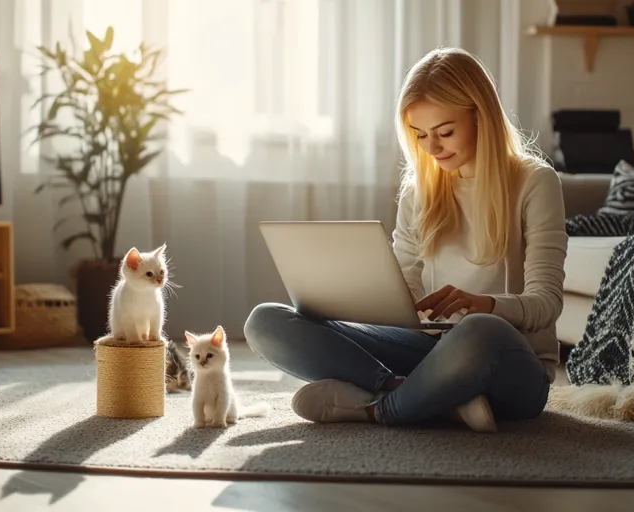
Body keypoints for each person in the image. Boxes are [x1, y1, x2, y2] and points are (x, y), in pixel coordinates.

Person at [242, 47, 567, 432]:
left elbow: (547, 303)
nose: (431, 148)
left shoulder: (535, 183)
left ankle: (379, 409)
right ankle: (416, 394)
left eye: (445, 132)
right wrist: (374, 299)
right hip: (428, 351)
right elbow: (406, 285)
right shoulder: (420, 191)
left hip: (508, 363)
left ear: (482, 118)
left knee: (480, 329)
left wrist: (486, 305)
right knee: (265, 321)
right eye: (420, 135)